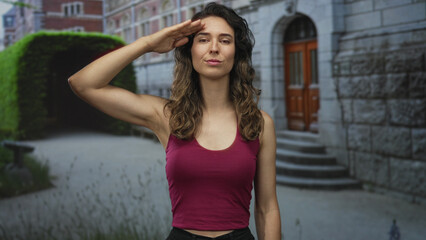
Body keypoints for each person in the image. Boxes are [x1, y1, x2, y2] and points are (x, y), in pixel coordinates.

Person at [68, 3, 281, 240]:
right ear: (190, 51)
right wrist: (148, 44)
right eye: (202, 40)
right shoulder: (167, 116)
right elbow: (83, 84)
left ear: (236, 52)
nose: (213, 48)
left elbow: (267, 208)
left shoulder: (260, 123)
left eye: (224, 40)